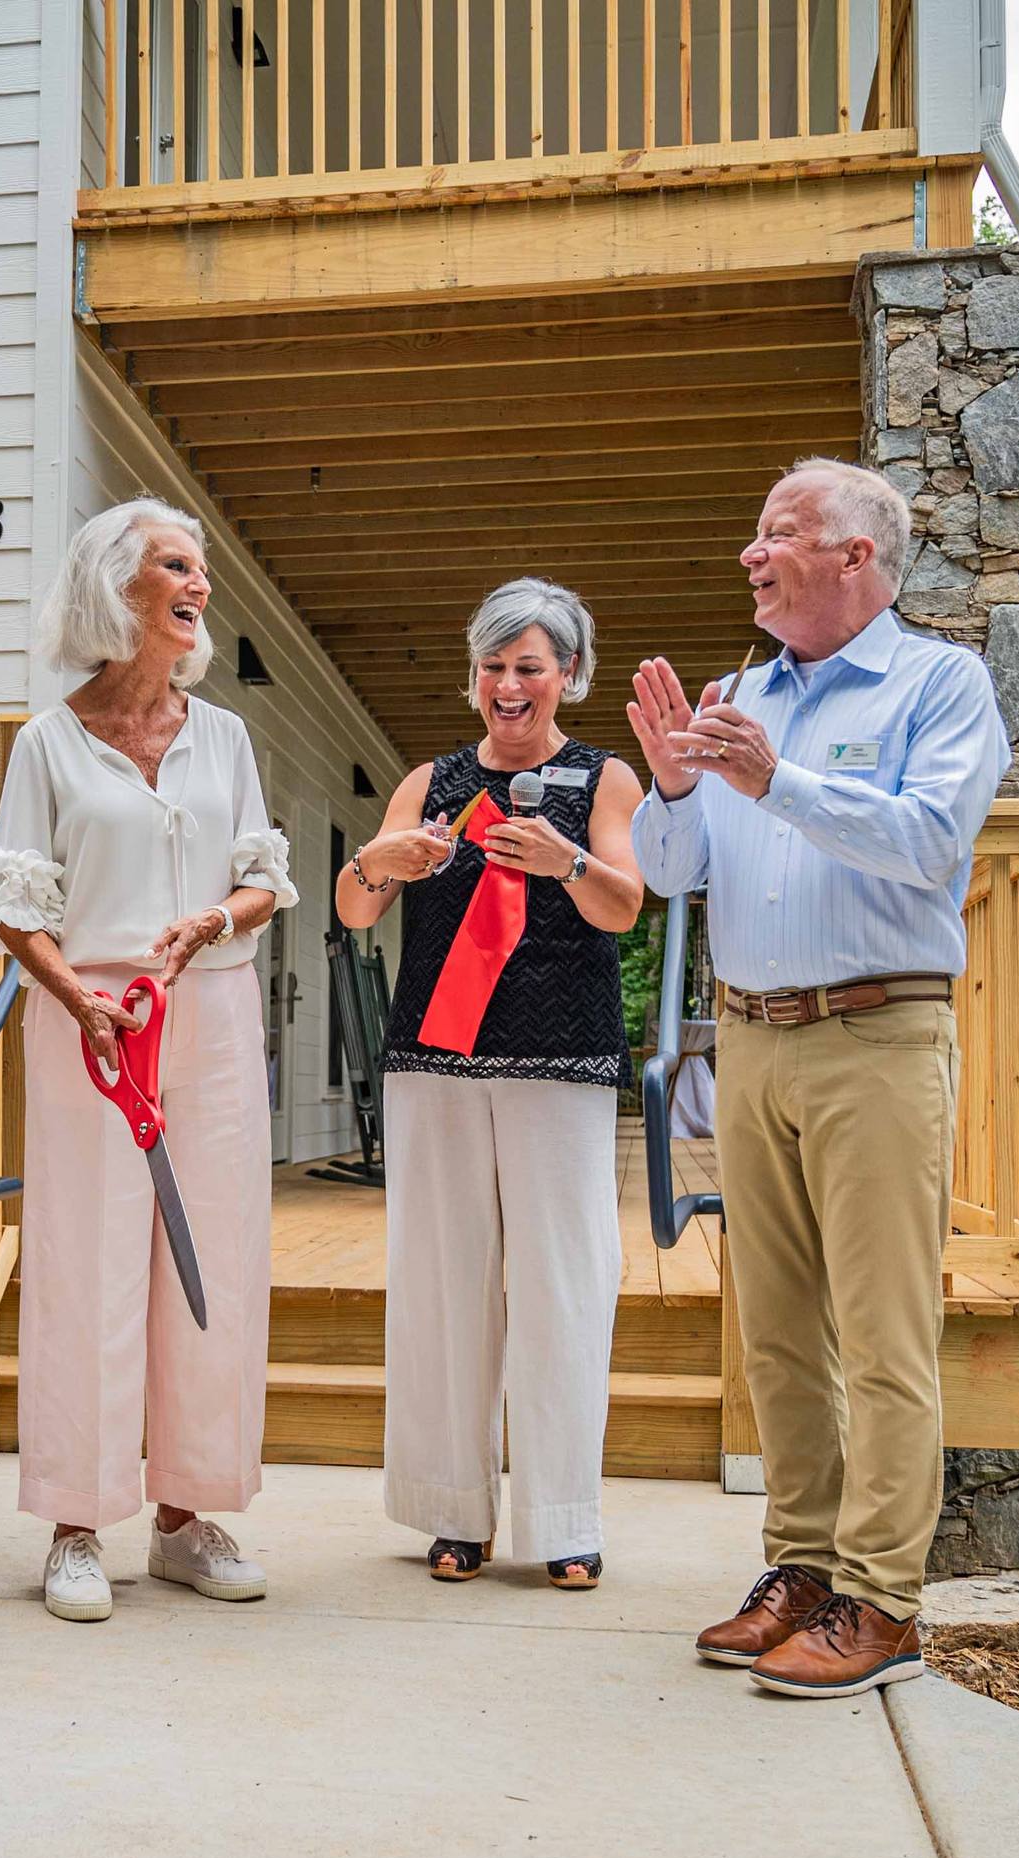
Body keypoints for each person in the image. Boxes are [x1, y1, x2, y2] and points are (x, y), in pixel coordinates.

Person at [628, 456, 1010, 1699]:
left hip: (874, 1037)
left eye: (778, 532)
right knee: (779, 1332)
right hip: (745, 1038)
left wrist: (771, 780)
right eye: (753, 533)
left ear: (857, 555)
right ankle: (796, 1571)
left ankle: (882, 1602)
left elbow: (925, 844)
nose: (750, 553)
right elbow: (674, 868)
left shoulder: (936, 682)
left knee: (884, 1334)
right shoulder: (740, 692)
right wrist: (677, 788)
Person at [0, 497, 295, 1623]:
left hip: (208, 1014)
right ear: (118, 588)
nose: (195, 581)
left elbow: (261, 876)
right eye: (173, 563)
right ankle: (76, 1520)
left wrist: (214, 922)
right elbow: (15, 900)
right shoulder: (48, 745)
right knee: (87, 1258)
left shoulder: (226, 738)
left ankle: (184, 1515)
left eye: (199, 565)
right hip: (89, 1022)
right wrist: (75, 997)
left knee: (211, 1252)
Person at [338, 578, 645, 1591]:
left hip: (558, 1057)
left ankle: (562, 1517)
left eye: (528, 666)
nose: (507, 685)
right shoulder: (430, 779)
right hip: (436, 1058)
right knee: (441, 1280)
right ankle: (450, 1511)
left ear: (566, 676)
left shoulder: (604, 781)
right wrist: (380, 861)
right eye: (491, 666)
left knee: (563, 1279)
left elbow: (621, 911)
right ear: (472, 678)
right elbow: (353, 908)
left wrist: (562, 863)